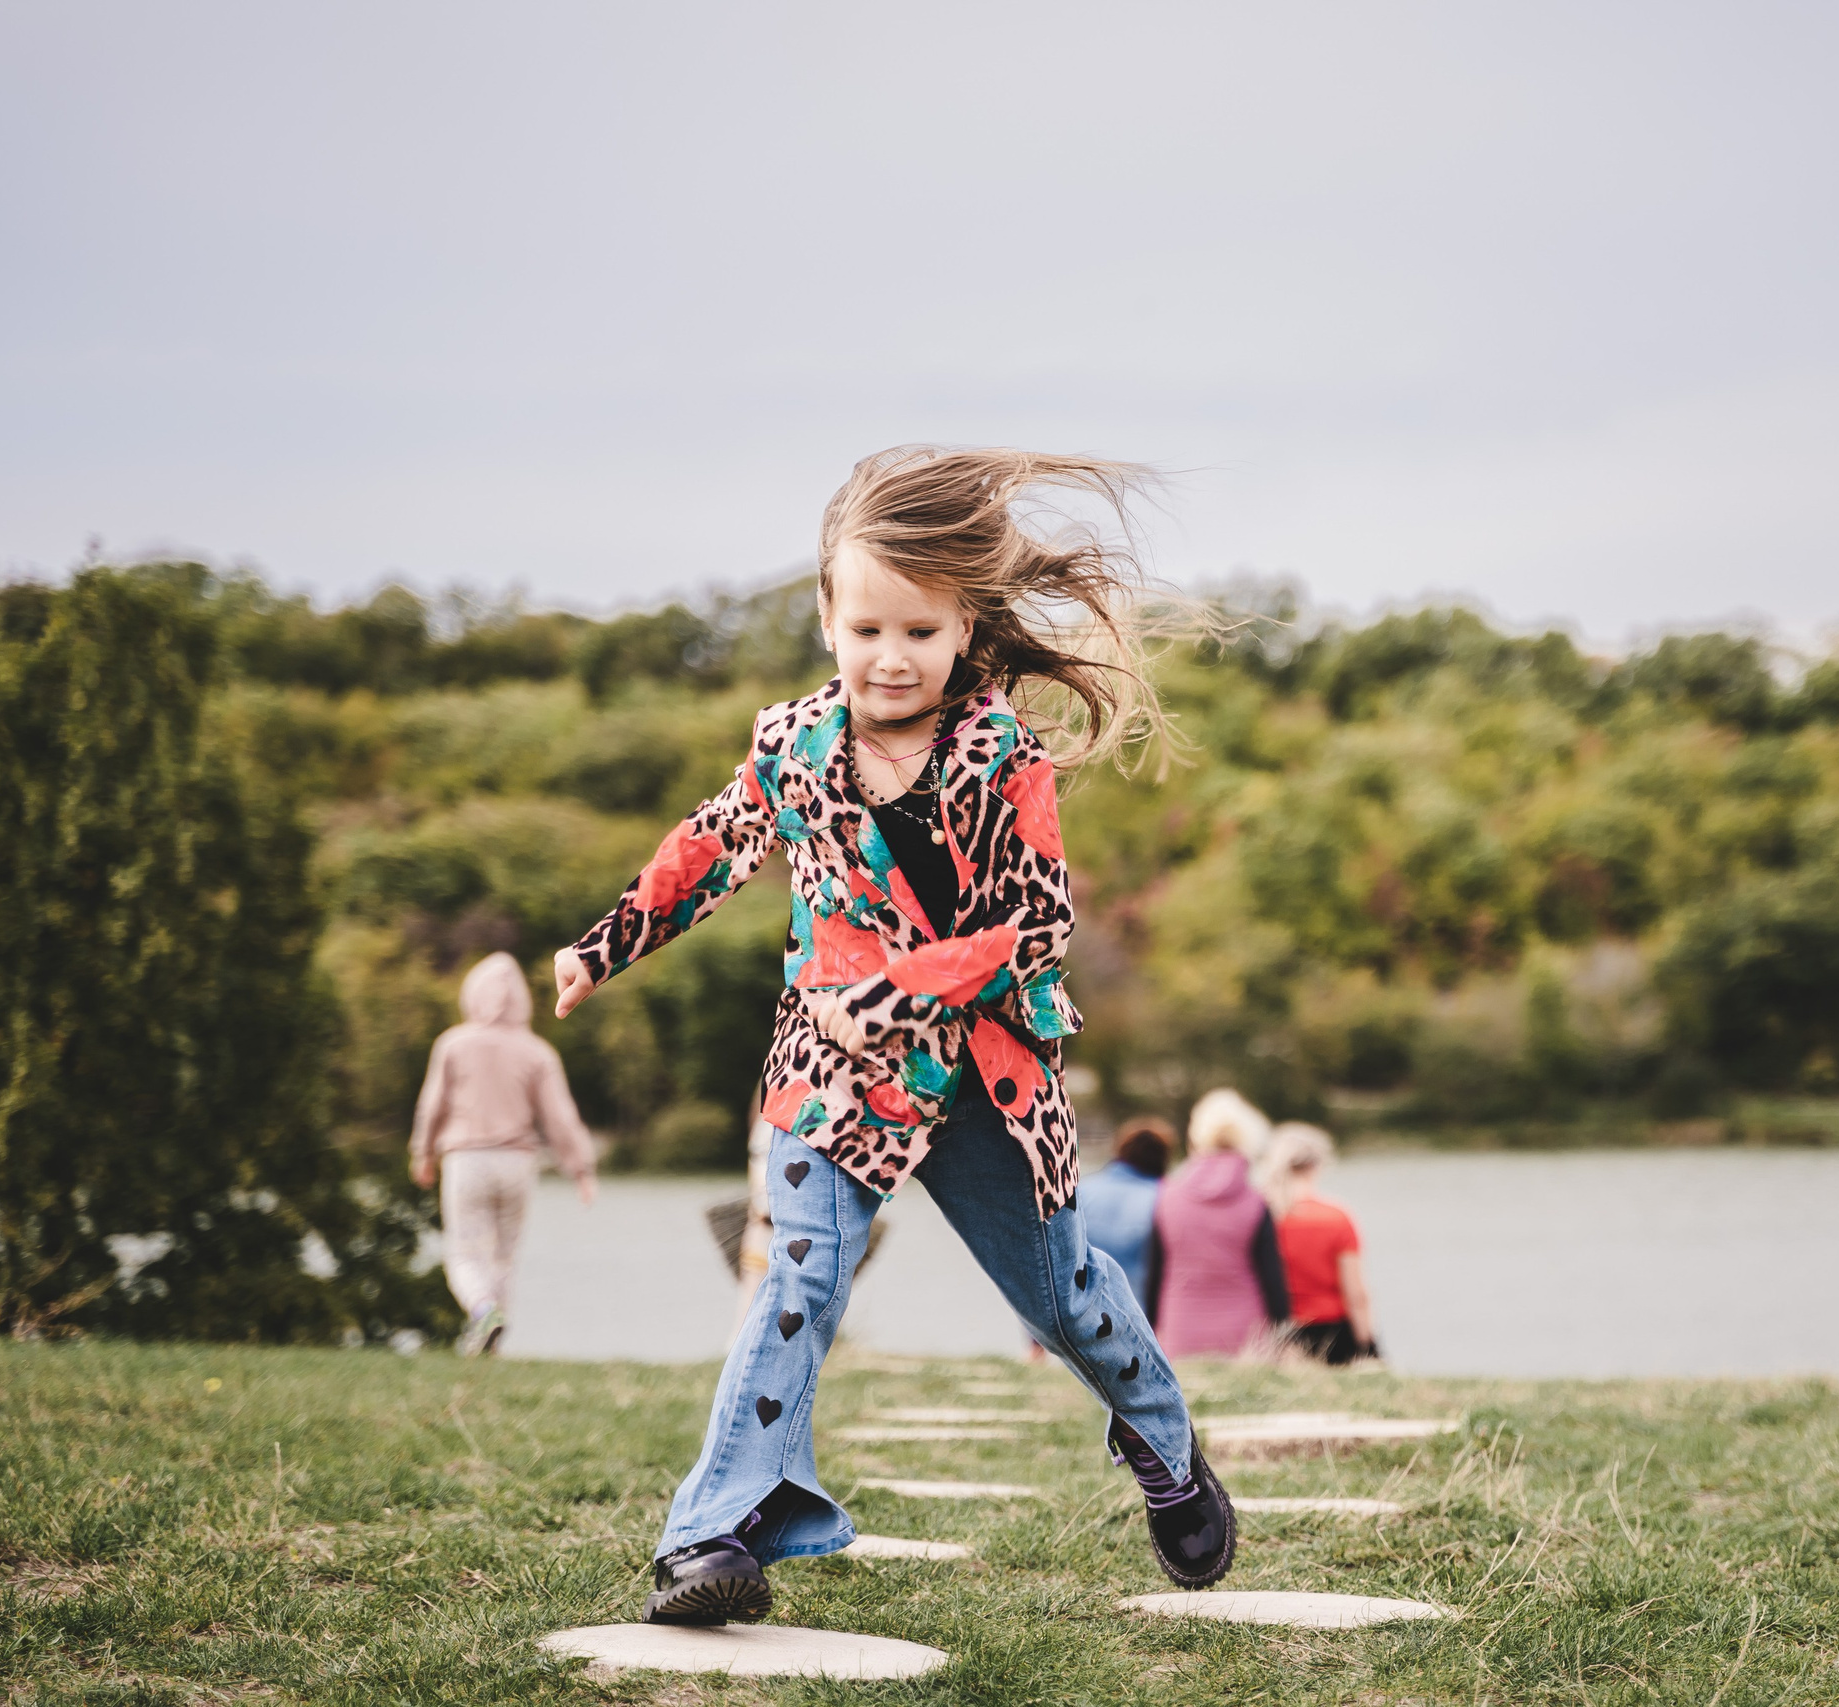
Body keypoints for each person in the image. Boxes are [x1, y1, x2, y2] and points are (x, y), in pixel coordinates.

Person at [550, 447, 1234, 1628]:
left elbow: (1035, 923)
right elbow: (711, 843)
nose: (890, 656)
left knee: (1062, 1300)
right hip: (833, 1083)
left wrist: (904, 989)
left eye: (918, 631)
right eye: (865, 628)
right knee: (795, 1285)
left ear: (964, 626)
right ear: (827, 618)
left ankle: (1165, 1447)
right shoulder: (791, 746)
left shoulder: (1003, 758)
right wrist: (602, 946)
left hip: (984, 1073)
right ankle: (709, 1537)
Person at [407, 952, 598, 1357]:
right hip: (517, 1164)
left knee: (463, 1254)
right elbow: (560, 1117)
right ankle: (490, 1343)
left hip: (466, 1161)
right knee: (503, 1258)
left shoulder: (453, 1044)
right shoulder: (537, 1051)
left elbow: (432, 1105)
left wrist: (422, 1154)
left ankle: (483, 1310)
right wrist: (581, 1169)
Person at [1147, 1089, 1287, 1359]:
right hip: (1245, 1332)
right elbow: (1272, 1276)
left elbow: (1155, 1271)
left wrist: (1152, 1328)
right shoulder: (1256, 1202)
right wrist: (1283, 1333)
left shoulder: (1167, 1197)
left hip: (1180, 1326)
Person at [1258, 1123, 1378, 1365]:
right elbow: (1356, 1294)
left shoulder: (1265, 1216)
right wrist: (1367, 1345)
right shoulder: (1337, 1216)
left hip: (1281, 1333)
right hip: (1333, 1332)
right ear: (1316, 1165)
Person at [1077, 1116, 1175, 1312]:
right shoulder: (1168, 1200)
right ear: (1164, 1157)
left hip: (1082, 1314)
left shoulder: (1081, 1192)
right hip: (1140, 1318)